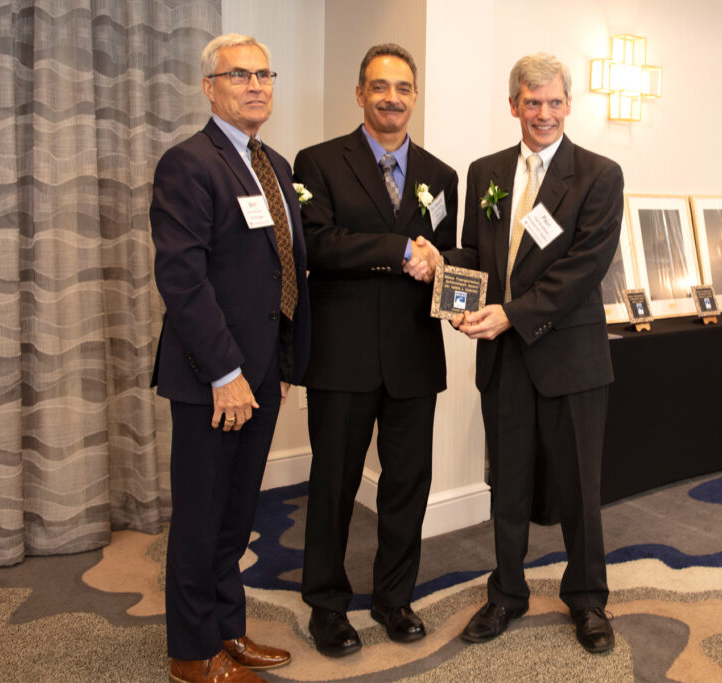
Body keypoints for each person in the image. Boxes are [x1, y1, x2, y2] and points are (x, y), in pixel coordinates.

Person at [444, 53, 624, 654]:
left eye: (553, 102)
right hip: (504, 358)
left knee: (579, 489)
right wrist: (448, 277)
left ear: (568, 105)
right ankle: (506, 594)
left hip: (569, 359)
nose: (542, 113)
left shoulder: (599, 175)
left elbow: (583, 268)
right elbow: (475, 252)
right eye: (531, 101)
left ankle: (588, 600)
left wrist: (511, 315)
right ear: (513, 104)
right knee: (509, 484)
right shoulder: (486, 170)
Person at [150, 33, 310, 682]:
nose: (255, 85)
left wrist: (283, 363)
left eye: (264, 73)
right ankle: (192, 653)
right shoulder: (189, 163)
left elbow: (287, 267)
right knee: (199, 519)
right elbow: (182, 281)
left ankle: (227, 631)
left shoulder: (275, 165)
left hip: (264, 373)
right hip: (212, 379)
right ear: (209, 87)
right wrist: (226, 373)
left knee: (238, 512)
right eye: (238, 74)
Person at [292, 43, 456, 657]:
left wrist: (444, 260)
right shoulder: (318, 162)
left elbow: (453, 252)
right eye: (380, 86)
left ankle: (394, 599)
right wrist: (400, 250)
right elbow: (318, 246)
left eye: (404, 88)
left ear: (415, 96)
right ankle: (327, 606)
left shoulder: (441, 175)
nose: (392, 98)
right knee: (333, 485)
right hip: (344, 356)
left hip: (415, 356)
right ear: (360, 94)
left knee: (407, 486)